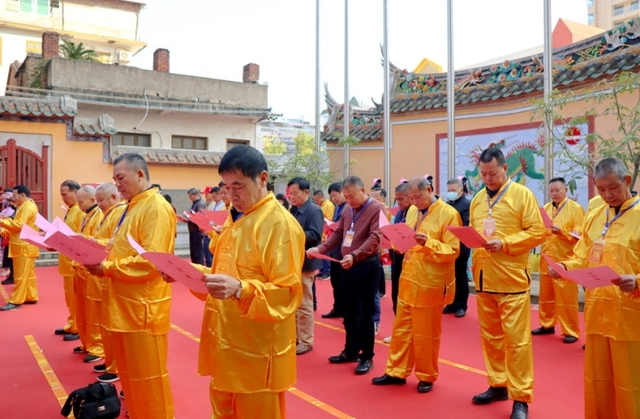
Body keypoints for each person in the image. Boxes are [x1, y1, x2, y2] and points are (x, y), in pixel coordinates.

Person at [196, 145, 304, 418]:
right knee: (222, 410)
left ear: (263, 178)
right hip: (226, 338)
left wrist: (241, 289)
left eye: (238, 186)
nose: (231, 195)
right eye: (226, 187)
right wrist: (189, 273)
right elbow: (225, 271)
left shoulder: (279, 225)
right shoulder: (237, 218)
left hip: (256, 349)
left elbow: (287, 292)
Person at [84, 153, 177, 419]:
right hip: (125, 303)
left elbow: (151, 261)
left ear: (140, 174)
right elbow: (119, 247)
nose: (118, 185)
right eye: (114, 179)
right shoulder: (133, 206)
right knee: (131, 377)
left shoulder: (155, 207)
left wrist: (107, 268)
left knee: (149, 378)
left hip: (143, 308)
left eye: (121, 178)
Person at [549, 158, 640, 418]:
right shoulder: (596, 215)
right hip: (598, 314)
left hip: (630, 318)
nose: (607, 195)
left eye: (612, 187)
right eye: (601, 189)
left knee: (630, 384)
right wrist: (564, 266)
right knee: (598, 382)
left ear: (626, 181)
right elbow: (583, 255)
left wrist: (637, 280)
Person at [469, 147, 545, 419]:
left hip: (512, 280)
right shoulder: (477, 199)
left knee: (517, 342)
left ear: (505, 169)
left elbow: (538, 232)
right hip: (484, 278)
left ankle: (521, 397)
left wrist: (506, 243)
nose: (488, 178)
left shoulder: (522, 195)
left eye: (492, 173)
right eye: (483, 174)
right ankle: (498, 383)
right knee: (491, 339)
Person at [372, 176, 460, 393]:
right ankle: (396, 371)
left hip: (430, 281)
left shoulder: (448, 214)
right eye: (410, 198)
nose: (414, 202)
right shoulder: (412, 211)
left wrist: (427, 243)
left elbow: (453, 250)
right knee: (401, 330)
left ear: (429, 190)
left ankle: (426, 375)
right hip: (409, 278)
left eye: (417, 197)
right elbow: (405, 239)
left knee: (426, 333)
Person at [308, 176, 384, 376]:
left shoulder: (376, 208)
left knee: (365, 312)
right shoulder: (348, 210)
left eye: (352, 196)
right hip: (346, 264)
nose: (349, 200)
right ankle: (351, 350)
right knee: (348, 310)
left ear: (363, 190)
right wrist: (320, 247)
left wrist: (355, 254)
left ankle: (367, 356)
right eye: (346, 196)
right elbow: (339, 233)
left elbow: (375, 237)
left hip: (366, 265)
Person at [533, 177, 584, 344]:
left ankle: (570, 330)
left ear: (565, 190)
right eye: (552, 191)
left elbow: (579, 234)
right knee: (546, 295)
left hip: (565, 260)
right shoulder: (546, 209)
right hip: (546, 258)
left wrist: (561, 231)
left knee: (567, 298)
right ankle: (547, 324)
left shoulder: (575, 209)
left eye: (558, 190)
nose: (554, 193)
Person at [91, 182, 127, 383]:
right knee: (105, 322)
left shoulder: (120, 213)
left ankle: (114, 367)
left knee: (111, 324)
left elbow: (113, 244)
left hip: (113, 272)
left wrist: (90, 242)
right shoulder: (108, 214)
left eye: (101, 200)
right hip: (104, 273)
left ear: (114, 197)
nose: (99, 204)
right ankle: (110, 360)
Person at [288, 178, 324, 355]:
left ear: (306, 192)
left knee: (304, 302)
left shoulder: (314, 210)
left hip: (306, 262)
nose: (292, 197)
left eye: (295, 193)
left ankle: (306, 340)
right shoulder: (292, 209)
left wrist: (292, 233)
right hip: (292, 261)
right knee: (293, 302)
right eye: (290, 194)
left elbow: (315, 234)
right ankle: (295, 337)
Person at [71, 185, 104, 363]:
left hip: (90, 271)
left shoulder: (98, 215)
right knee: (82, 310)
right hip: (80, 268)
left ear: (93, 200)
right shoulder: (86, 215)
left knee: (93, 312)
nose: (79, 205)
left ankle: (96, 346)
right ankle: (86, 342)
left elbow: (96, 243)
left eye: (81, 202)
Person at [382, 182, 418, 343]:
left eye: (402, 199)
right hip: (397, 257)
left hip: (409, 260)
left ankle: (408, 332)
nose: (399, 203)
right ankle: (399, 330)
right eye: (397, 200)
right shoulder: (400, 212)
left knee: (406, 298)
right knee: (396, 295)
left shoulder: (414, 211)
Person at [0, 185, 39, 310]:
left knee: (20, 275)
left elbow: (18, 225)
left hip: (24, 246)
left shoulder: (27, 207)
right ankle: (30, 296)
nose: (13, 199)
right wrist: (4, 229)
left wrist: (2, 221)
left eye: (15, 196)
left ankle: (16, 300)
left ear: (22, 195)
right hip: (25, 244)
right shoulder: (26, 206)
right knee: (28, 274)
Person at [55, 179, 84, 341]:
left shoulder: (79, 211)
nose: (63, 198)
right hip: (66, 259)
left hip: (74, 261)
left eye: (65, 195)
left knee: (75, 297)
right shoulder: (71, 210)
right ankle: (72, 322)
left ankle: (77, 327)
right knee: (69, 296)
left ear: (75, 192)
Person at [443, 177, 472, 318]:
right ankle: (451, 302)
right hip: (447, 246)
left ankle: (461, 305)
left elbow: (466, 225)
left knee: (460, 276)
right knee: (450, 277)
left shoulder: (467, 205)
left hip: (461, 246)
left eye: (453, 190)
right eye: (449, 190)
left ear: (461, 190)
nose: (451, 193)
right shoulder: (446, 205)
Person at [321, 182, 347, 319]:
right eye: (332, 197)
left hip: (345, 250)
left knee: (344, 284)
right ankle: (338, 308)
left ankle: (346, 310)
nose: (334, 199)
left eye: (335, 195)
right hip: (335, 250)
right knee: (336, 282)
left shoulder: (348, 207)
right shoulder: (338, 207)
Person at [314, 189, 335, 280]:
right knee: (321, 252)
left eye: (317, 200)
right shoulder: (321, 205)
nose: (316, 202)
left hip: (326, 232)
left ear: (322, 197)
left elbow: (329, 220)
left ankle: (327, 271)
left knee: (325, 253)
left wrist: (326, 233)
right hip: (321, 231)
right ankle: (322, 270)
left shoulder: (328, 205)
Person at [183, 188, 207, 265]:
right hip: (193, 229)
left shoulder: (200, 204)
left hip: (197, 230)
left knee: (198, 252)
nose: (190, 198)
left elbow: (200, 219)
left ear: (196, 195)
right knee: (193, 251)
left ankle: (199, 267)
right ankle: (195, 266)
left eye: (191, 196)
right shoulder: (195, 203)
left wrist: (188, 220)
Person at [1, 191, 16, 285]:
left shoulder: (24, 209)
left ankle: (13, 276)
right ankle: (11, 275)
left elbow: (15, 223)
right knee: (9, 258)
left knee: (11, 260)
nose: (9, 203)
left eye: (11, 201)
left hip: (14, 238)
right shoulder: (15, 209)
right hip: (10, 237)